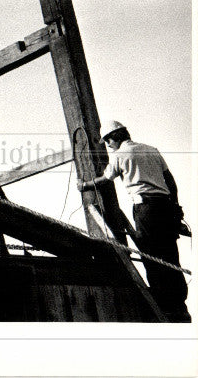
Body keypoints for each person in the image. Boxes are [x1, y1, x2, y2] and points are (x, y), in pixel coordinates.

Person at [79, 120, 190, 322]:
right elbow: (171, 182)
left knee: (151, 255)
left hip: (145, 208)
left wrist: (84, 184)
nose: (108, 146)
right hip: (165, 206)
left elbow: (106, 178)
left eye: (108, 142)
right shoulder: (151, 150)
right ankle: (179, 304)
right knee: (170, 254)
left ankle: (163, 303)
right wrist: (175, 207)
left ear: (114, 138)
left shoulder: (119, 155)